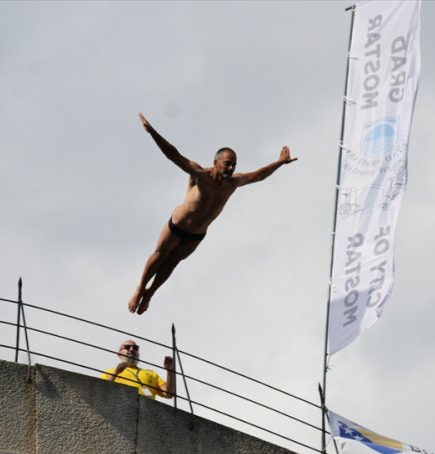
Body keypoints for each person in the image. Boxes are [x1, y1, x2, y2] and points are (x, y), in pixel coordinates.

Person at [129, 113, 297, 314]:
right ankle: (140, 289)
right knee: (160, 255)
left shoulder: (233, 183)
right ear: (216, 162)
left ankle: (150, 293)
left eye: (234, 163)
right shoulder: (200, 174)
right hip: (178, 225)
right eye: (227, 163)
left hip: (196, 235)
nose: (231, 167)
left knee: (173, 262)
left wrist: (279, 163)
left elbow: (258, 175)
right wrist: (152, 132)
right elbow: (173, 154)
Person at [100, 339, 176, 399]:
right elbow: (101, 390)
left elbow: (168, 394)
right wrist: (115, 373)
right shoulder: (110, 371)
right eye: (127, 347)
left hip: (146, 411)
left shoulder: (151, 373)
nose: (132, 349)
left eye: (135, 348)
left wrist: (170, 371)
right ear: (119, 354)